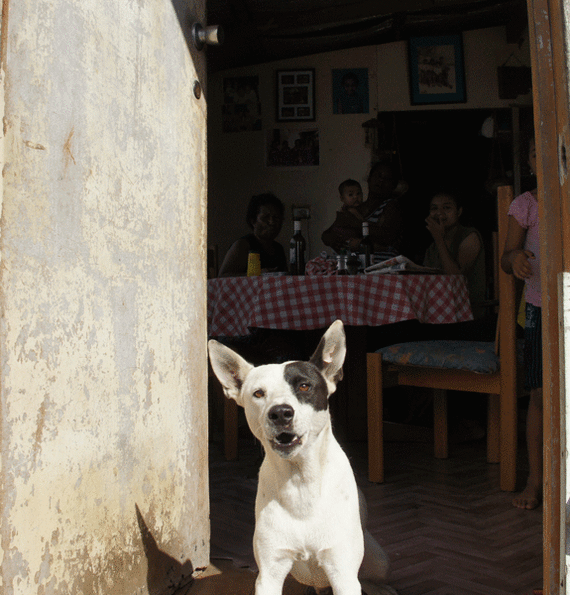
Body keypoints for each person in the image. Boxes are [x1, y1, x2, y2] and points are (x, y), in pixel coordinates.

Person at [501, 137, 542, 510]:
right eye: (533, 150)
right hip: (540, 309)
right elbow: (506, 255)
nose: (542, 155)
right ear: (528, 162)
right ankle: (536, 479)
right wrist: (515, 259)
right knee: (541, 397)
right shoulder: (526, 204)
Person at [423, 191, 486, 320]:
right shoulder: (432, 248)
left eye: (446, 208)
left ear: (459, 212)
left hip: (466, 313)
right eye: (434, 208)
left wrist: (439, 239)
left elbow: (456, 279)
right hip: (437, 311)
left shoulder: (470, 236)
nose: (439, 213)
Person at [321, 161, 404, 256]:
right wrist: (334, 240)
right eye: (378, 175)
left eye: (387, 179)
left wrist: (356, 225)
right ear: (369, 178)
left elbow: (387, 237)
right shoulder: (354, 208)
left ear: (393, 185)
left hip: (379, 264)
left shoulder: (391, 206)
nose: (381, 181)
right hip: (352, 263)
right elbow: (326, 235)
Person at [218, 193, 288, 277]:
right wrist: (258, 275)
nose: (272, 222)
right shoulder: (243, 246)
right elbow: (222, 277)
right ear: (253, 221)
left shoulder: (278, 248)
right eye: (265, 217)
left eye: (276, 218)